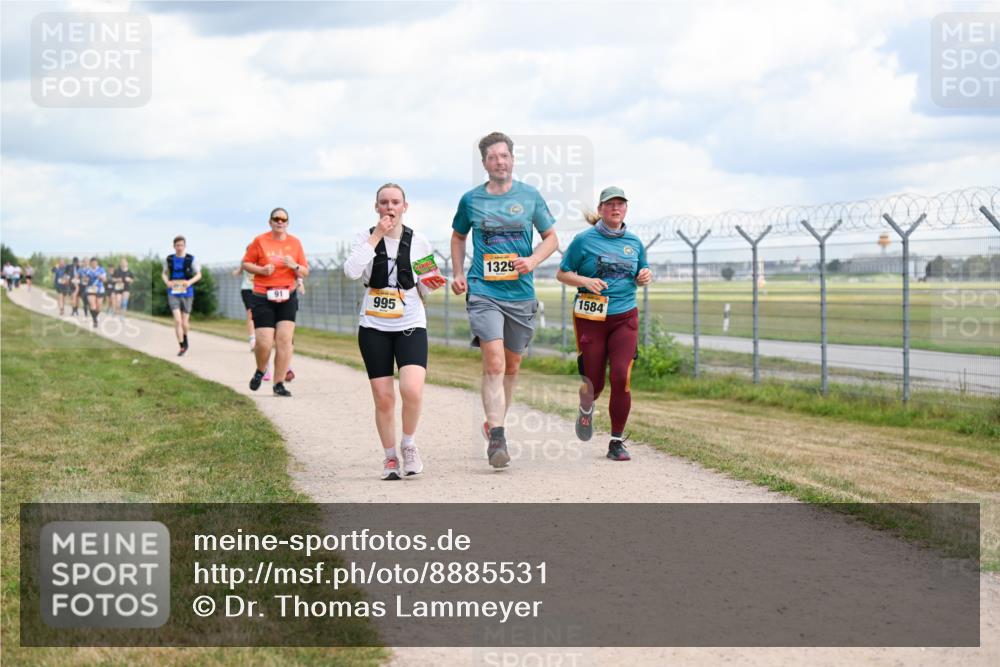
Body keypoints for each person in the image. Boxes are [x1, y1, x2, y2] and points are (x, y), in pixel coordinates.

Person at [451, 131, 559, 469]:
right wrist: (458, 272)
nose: (500, 161)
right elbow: (458, 235)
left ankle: (494, 421)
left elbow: (552, 238)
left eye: (505, 155)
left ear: (512, 159)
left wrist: (532, 261)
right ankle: (497, 436)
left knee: (512, 366)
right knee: (494, 362)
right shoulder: (471, 200)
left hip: (520, 293)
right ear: (484, 163)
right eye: (493, 157)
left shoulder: (529, 196)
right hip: (484, 290)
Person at [344, 183, 447, 480]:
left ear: (405, 206)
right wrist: (376, 235)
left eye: (395, 202)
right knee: (384, 396)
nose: (390, 207)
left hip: (410, 321)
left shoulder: (419, 241)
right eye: (384, 202)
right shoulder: (364, 238)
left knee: (412, 389)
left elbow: (425, 280)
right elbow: (351, 271)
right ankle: (390, 457)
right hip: (374, 325)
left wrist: (433, 282)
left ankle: (409, 444)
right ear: (376, 207)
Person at [556, 187, 652, 461]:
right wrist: (585, 281)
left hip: (625, 317)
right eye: (610, 204)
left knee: (622, 376)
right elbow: (562, 274)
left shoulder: (634, 242)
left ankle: (616, 441)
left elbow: (642, 271)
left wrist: (645, 275)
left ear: (626, 210)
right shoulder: (583, 241)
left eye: (621, 204)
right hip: (592, 317)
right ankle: (587, 406)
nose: (616, 209)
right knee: (594, 382)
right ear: (600, 210)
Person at [242, 208, 308, 397]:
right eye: (276, 219)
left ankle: (278, 383)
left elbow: (304, 271)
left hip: (287, 296)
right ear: (270, 222)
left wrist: (294, 265)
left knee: (285, 340)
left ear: (287, 223)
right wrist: (261, 271)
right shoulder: (260, 241)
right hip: (263, 296)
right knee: (263, 342)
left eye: (283, 219)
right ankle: (261, 369)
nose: (280, 222)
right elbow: (246, 264)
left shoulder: (295, 243)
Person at [162, 236, 202, 356]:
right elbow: (164, 274)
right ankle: (181, 346)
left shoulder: (191, 259)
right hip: (173, 292)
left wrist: (189, 282)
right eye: (177, 245)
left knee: (185, 322)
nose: (179, 247)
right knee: (177, 320)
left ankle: (185, 337)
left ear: (185, 246)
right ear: (174, 246)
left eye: (181, 245)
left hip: (187, 292)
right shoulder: (169, 259)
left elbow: (199, 275)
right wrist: (167, 282)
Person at [232, 264, 257, 351]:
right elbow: (237, 272)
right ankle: (253, 341)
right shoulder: (246, 261)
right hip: (247, 289)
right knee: (250, 314)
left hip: (260, 290)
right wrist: (237, 271)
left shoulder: (262, 258)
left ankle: (263, 339)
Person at [82, 257, 108, 328]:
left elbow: (105, 280)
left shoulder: (101, 269)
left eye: (95, 263)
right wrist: (86, 279)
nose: (94, 264)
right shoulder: (88, 270)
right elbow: (84, 280)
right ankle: (95, 320)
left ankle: (95, 316)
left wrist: (101, 277)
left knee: (99, 307)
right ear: (90, 263)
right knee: (92, 305)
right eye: (92, 263)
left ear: (97, 263)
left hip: (100, 289)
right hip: (90, 289)